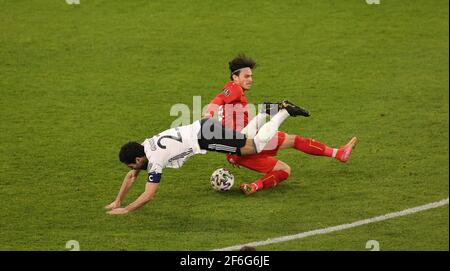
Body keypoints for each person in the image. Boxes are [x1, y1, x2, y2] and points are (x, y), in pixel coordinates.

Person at [105, 102, 307, 215]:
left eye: (133, 164)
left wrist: (127, 210)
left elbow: (148, 195)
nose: (133, 168)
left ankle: (282, 112)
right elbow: (132, 176)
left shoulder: (155, 160)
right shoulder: (145, 144)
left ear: (139, 158)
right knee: (243, 145)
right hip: (202, 129)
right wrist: (117, 201)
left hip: (205, 137)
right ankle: (264, 111)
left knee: (254, 146)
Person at [204, 54, 358, 195]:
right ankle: (337, 153)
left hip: (240, 147)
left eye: (251, 76)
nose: (250, 79)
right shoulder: (234, 88)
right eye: (246, 76)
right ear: (235, 77)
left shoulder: (234, 89)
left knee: (289, 151)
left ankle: (252, 187)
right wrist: (208, 113)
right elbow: (219, 99)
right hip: (244, 144)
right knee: (287, 161)